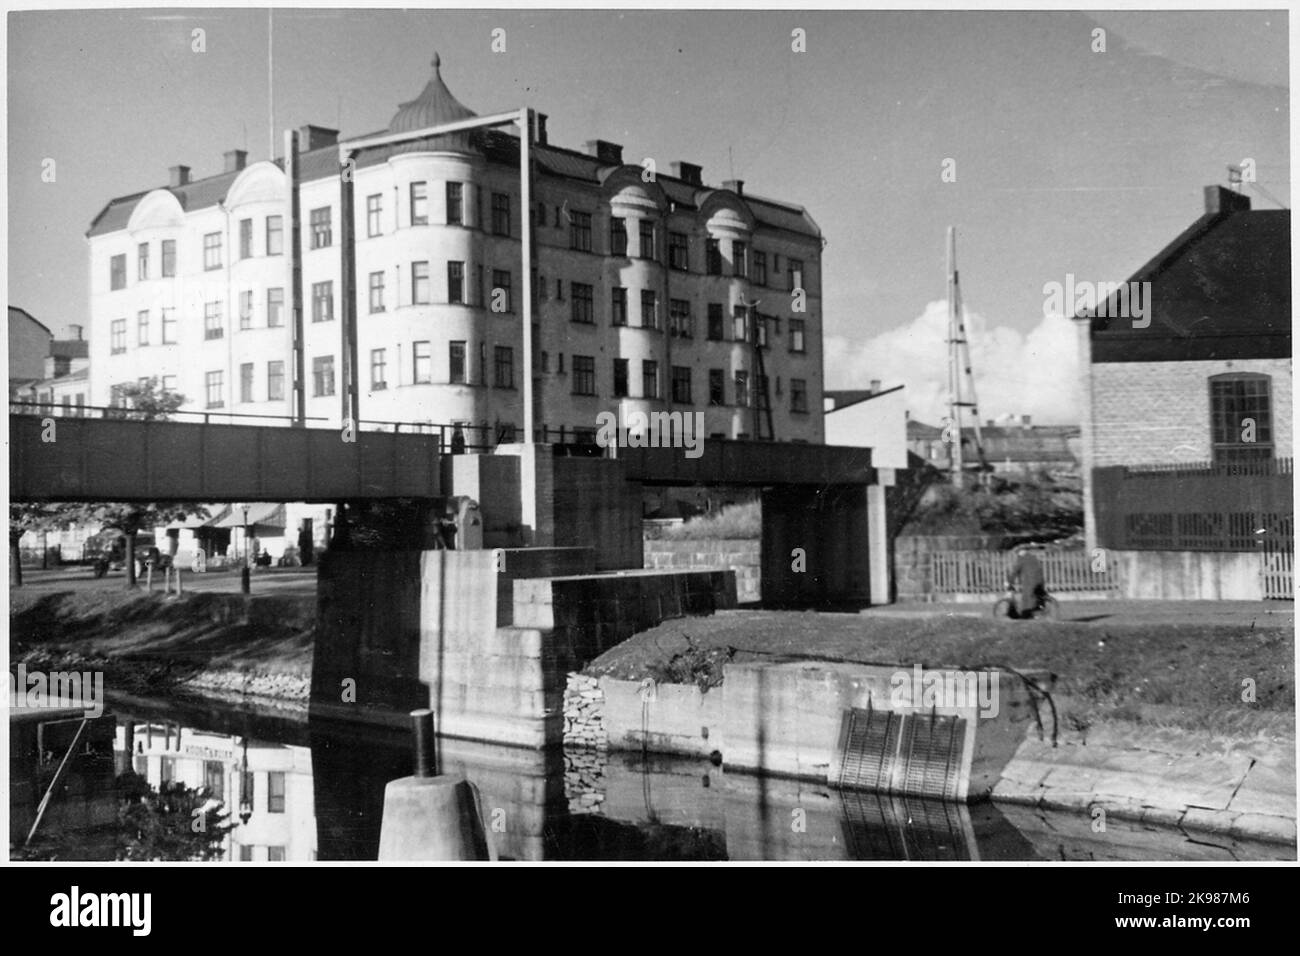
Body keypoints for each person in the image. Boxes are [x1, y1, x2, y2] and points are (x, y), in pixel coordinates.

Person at [1006, 545, 1047, 618]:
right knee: (1034, 598)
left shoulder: (1022, 559)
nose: (1017, 554)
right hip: (1039, 581)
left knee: (1026, 598)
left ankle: (1027, 615)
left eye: (1017, 552)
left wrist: (1010, 581)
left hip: (1030, 581)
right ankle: (1032, 613)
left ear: (1021, 552)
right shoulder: (1032, 557)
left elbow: (1015, 571)